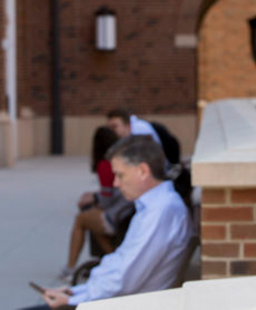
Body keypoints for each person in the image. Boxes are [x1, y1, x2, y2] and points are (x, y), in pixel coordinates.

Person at [33, 136, 192, 309]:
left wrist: (72, 301)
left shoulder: (160, 211)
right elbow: (121, 265)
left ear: (143, 171)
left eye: (120, 175)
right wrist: (76, 292)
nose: (116, 183)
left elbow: (125, 280)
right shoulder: (155, 206)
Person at [56, 127, 133, 283]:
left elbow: (107, 199)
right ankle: (112, 257)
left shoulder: (105, 165)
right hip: (124, 211)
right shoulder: (119, 159)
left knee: (81, 219)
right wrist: (95, 196)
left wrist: (94, 199)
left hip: (116, 213)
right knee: (90, 220)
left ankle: (70, 268)